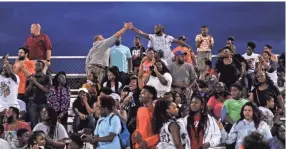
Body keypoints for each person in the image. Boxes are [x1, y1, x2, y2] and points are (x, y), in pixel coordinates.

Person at [25, 60, 50, 129]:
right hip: (32, 103)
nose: (36, 66)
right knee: (33, 121)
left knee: (44, 121)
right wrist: (30, 83)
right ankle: (34, 136)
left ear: (43, 67)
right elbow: (26, 92)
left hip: (43, 103)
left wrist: (36, 83)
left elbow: (47, 90)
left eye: (38, 65)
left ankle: (43, 136)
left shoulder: (46, 77)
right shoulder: (30, 77)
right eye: (35, 65)